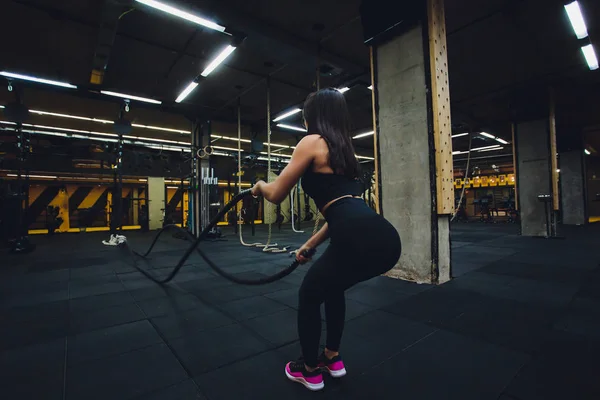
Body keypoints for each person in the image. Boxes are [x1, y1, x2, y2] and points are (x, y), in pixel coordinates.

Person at [251, 88, 401, 391]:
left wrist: (259, 186)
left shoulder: (311, 142)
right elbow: (341, 213)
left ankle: (309, 369)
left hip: (353, 234)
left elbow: (277, 194)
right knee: (334, 288)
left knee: (308, 296)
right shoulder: (346, 151)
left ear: (313, 116)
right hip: (384, 237)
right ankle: (332, 358)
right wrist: (310, 245)